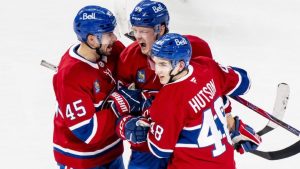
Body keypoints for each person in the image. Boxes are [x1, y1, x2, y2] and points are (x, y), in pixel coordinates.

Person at [110, 1, 231, 168]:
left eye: (143, 31)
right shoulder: (128, 58)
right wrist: (126, 124)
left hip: (184, 147)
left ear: (160, 29)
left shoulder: (194, 48)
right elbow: (121, 104)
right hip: (147, 148)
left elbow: (215, 92)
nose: (137, 36)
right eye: (135, 30)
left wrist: (230, 122)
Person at [119, 33, 262, 168]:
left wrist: (138, 120)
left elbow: (159, 149)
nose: (156, 71)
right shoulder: (207, 66)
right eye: (155, 63)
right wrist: (231, 125)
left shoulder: (167, 100)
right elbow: (244, 83)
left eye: (163, 64)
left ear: (180, 65)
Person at [52, 5, 125, 169]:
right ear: (92, 39)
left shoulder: (113, 50)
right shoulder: (70, 75)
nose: (114, 38)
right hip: (80, 158)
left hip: (112, 151)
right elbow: (87, 130)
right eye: (108, 34)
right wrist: (123, 109)